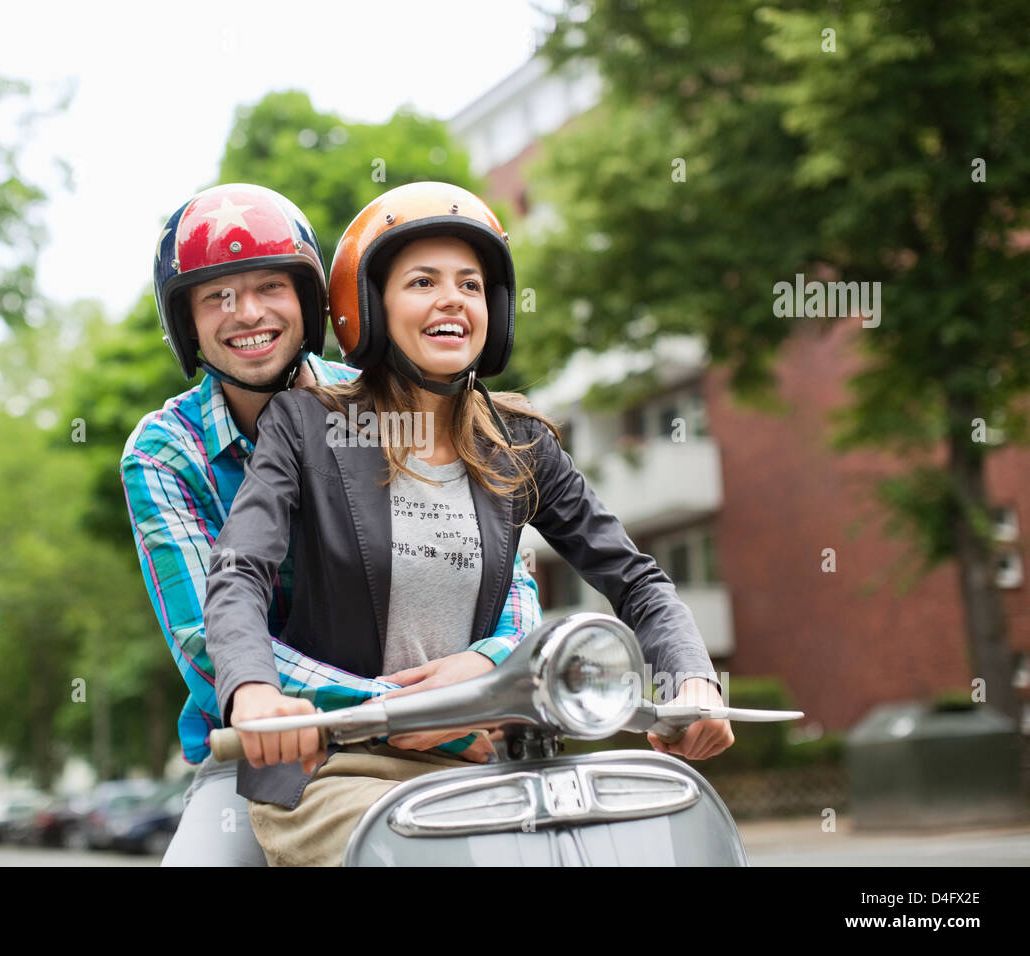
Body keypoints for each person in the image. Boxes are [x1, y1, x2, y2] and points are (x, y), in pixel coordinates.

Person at [204, 181, 735, 867]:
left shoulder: (520, 443)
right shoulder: (307, 425)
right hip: (334, 771)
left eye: (472, 284)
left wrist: (692, 681)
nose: (453, 299)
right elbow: (239, 569)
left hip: (483, 765)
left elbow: (636, 579)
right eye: (422, 281)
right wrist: (253, 693)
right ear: (367, 307)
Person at [120, 182, 544, 866]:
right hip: (270, 750)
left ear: (313, 301)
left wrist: (485, 669)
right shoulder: (164, 451)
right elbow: (207, 639)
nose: (248, 312)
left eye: (270, 287)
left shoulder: (385, 399)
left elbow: (501, 564)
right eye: (217, 296)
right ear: (186, 323)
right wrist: (394, 709)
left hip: (454, 730)